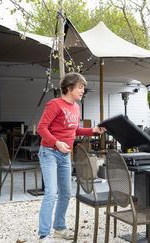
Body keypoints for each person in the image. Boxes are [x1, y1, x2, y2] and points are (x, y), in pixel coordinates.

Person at [36, 72, 105, 241]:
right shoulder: (54, 104)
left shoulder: (76, 107)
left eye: (83, 88)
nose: (83, 90)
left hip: (65, 155)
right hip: (49, 153)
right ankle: (44, 234)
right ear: (69, 88)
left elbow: (74, 130)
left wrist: (93, 131)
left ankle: (59, 228)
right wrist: (56, 143)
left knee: (66, 193)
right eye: (80, 87)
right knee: (51, 193)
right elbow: (41, 128)